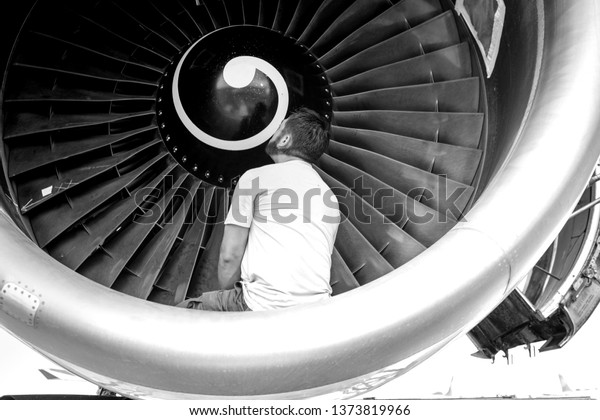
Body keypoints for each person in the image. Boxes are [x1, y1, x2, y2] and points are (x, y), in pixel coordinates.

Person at [177, 108, 340, 311]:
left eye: (279, 128)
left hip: (260, 305)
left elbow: (230, 255)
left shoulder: (256, 178)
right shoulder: (331, 199)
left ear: (284, 140)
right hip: (317, 312)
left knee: (177, 317)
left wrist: (228, 301)